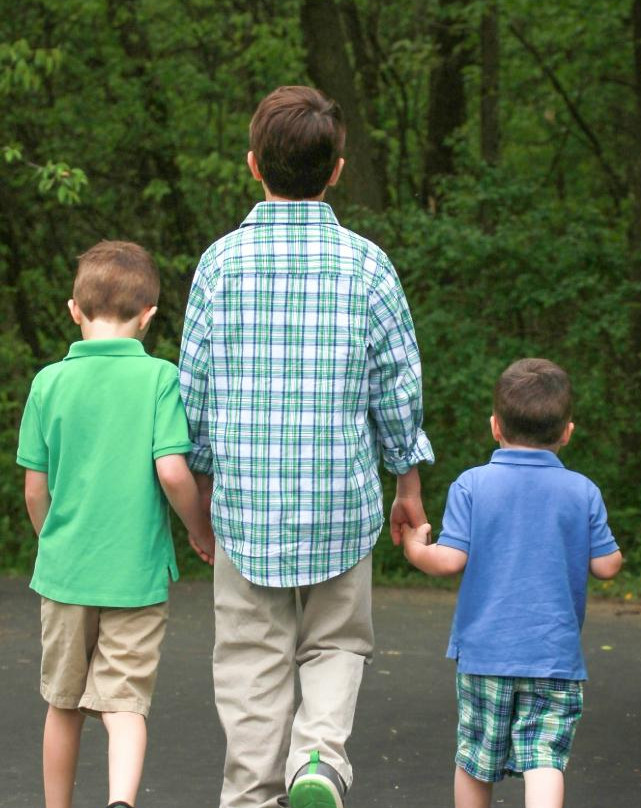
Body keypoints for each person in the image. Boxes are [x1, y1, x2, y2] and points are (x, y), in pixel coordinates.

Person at [178, 85, 434, 808]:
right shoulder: (367, 266)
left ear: (252, 164)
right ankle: (319, 760)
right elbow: (397, 387)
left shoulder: (220, 265)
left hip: (247, 505)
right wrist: (407, 486)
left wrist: (199, 501)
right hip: (340, 500)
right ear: (338, 170)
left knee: (251, 658)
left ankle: (252, 795)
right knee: (336, 643)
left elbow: (194, 393)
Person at [16, 240, 215, 808]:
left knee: (63, 703)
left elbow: (36, 489)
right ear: (149, 316)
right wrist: (199, 532)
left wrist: (53, 544)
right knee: (125, 704)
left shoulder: (47, 383)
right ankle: (121, 802)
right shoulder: (159, 380)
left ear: (73, 310)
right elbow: (173, 473)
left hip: (66, 573)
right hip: (135, 574)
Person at [402, 358, 624, 808]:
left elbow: (448, 561)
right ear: (567, 432)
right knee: (545, 758)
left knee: (475, 758)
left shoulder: (472, 485)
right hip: (554, 656)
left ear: (495, 426)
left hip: (485, 654)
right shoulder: (583, 491)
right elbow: (606, 566)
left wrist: (414, 548)